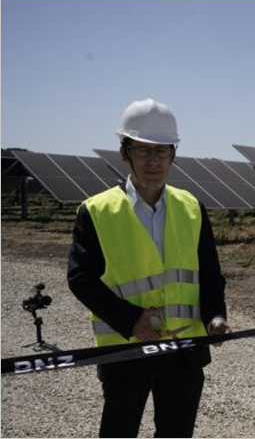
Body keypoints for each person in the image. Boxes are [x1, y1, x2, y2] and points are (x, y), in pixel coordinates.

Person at [67, 98, 229, 438]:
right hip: (125, 350)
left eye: (161, 151)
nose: (153, 160)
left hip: (184, 351)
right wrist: (130, 319)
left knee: (176, 433)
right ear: (124, 152)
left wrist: (215, 316)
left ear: (173, 154)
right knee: (119, 431)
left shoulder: (192, 208)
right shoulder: (97, 211)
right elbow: (81, 278)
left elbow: (210, 275)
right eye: (142, 151)